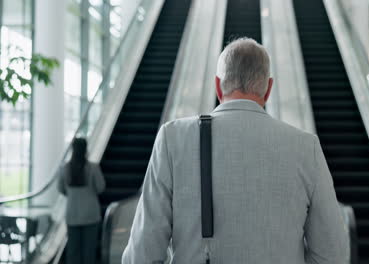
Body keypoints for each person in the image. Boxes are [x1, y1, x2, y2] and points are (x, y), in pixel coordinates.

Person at [122, 37, 349, 264]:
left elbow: (143, 252)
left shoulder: (173, 138)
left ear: (218, 86)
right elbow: (332, 254)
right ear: (268, 89)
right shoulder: (306, 147)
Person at [57, 138, 105, 264]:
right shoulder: (93, 168)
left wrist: (72, 194)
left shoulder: (65, 169)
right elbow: (100, 187)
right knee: (89, 252)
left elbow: (61, 189)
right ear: (85, 149)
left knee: (73, 252)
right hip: (91, 215)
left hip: (72, 215)